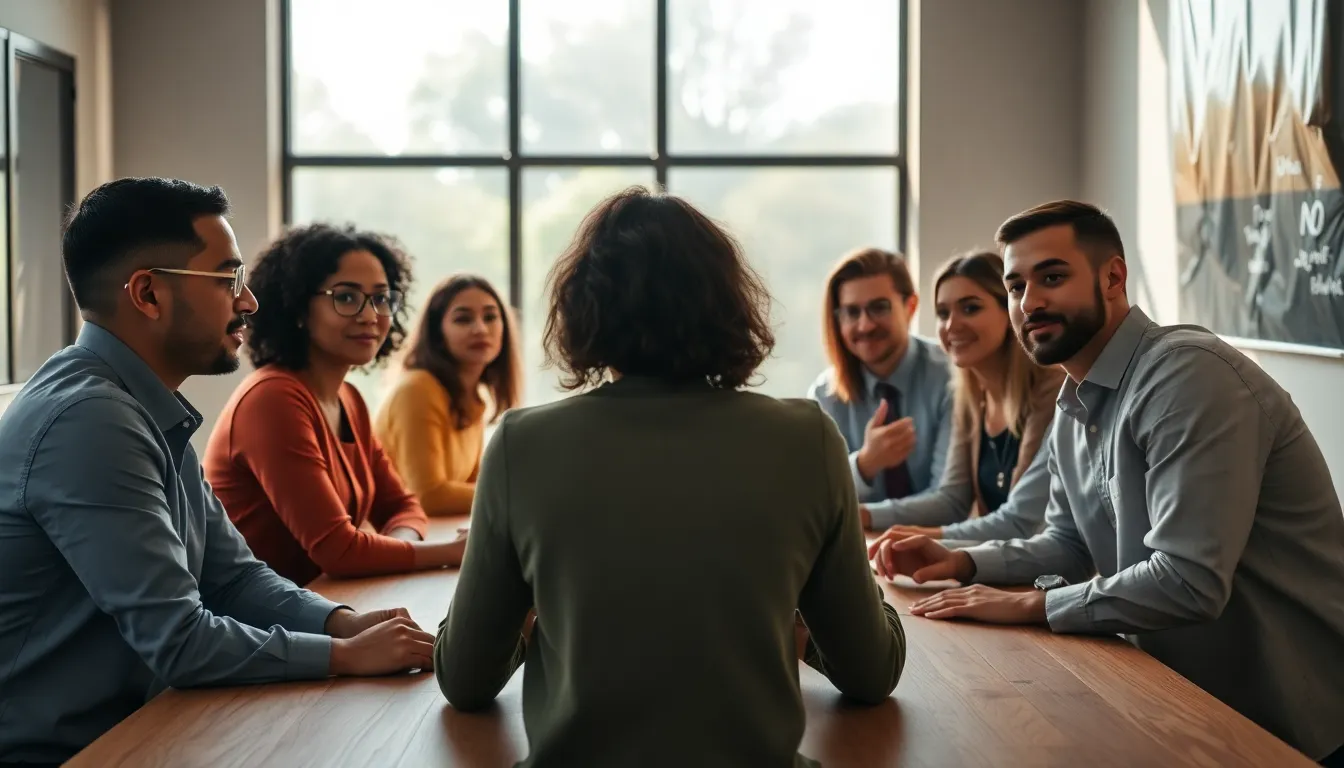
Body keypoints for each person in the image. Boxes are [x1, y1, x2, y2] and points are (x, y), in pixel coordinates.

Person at [434, 187, 906, 767]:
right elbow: (872, 672)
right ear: (728, 303)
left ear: (584, 308)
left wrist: (538, 613)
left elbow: (464, 680)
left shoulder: (520, 444)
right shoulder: (807, 437)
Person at [868, 200, 1344, 766]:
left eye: (1052, 277)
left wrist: (1030, 605)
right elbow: (1066, 544)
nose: (1029, 302)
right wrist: (960, 561)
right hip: (1181, 702)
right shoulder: (1076, 402)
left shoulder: (1188, 375)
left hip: (1296, 725)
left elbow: (1188, 579)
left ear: (1113, 277)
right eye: (1016, 286)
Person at [0, 178, 436, 766]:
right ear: (148, 295)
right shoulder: (91, 418)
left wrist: (343, 622)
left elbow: (231, 579)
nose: (248, 301)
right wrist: (345, 656)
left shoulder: (141, 403)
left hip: (146, 725)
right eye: (228, 278)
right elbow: (180, 641)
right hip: (68, 752)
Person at [203, 223, 468, 586]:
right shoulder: (272, 400)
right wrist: (450, 552)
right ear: (296, 308)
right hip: (253, 626)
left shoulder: (350, 399)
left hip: (318, 604)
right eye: (346, 297)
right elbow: (338, 551)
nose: (369, 315)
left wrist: (391, 549)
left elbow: (404, 506)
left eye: (381, 298)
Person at [872, 251, 1064, 544]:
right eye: (943, 313)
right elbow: (953, 500)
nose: (951, 326)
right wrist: (862, 514)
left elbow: (1022, 525)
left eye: (970, 308)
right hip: (1000, 575)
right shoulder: (970, 398)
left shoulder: (1053, 392)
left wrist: (927, 538)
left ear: (1010, 311)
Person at [808, 247, 953, 530]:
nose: (865, 325)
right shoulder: (825, 395)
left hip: (939, 545)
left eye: (879, 307)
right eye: (851, 312)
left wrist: (859, 515)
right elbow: (814, 496)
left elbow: (949, 501)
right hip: (856, 551)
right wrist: (864, 465)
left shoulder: (950, 376)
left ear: (910, 307)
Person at [375, 274, 521, 517]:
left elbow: (472, 486)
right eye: (463, 319)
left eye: (490, 317)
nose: (480, 329)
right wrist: (518, 494)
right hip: (396, 540)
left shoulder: (474, 399)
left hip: (435, 535)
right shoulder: (417, 389)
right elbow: (428, 496)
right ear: (437, 334)